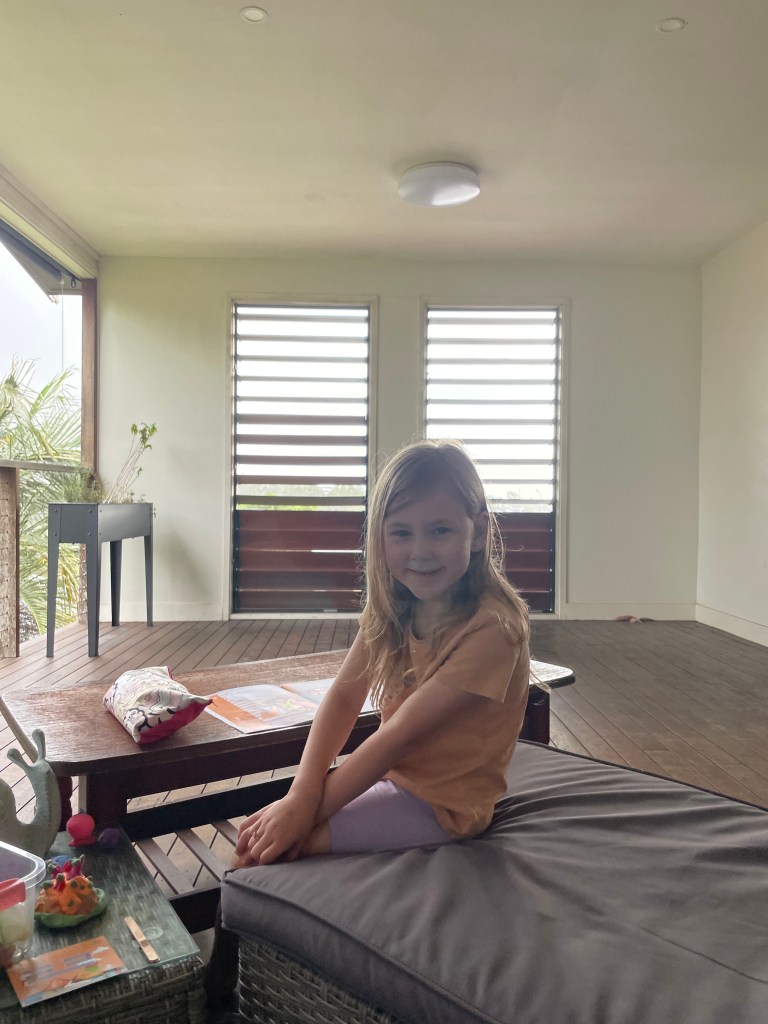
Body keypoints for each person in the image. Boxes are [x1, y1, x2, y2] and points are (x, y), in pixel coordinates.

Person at [204, 438, 530, 1005]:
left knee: (262, 853)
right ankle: (225, 984)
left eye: (440, 529)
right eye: (401, 532)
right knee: (261, 840)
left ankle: (225, 994)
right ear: (379, 537)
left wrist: (303, 812)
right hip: (396, 781)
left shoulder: (492, 629)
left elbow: (393, 739)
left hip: (443, 805)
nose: (420, 551)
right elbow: (343, 696)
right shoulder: (395, 607)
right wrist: (301, 793)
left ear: (478, 530)